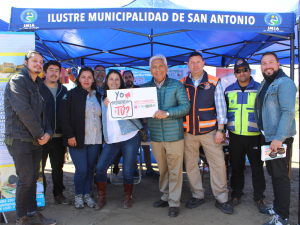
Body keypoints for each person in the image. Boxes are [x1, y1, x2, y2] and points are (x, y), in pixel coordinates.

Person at [4, 50, 56, 225]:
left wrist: (48, 132)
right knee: (26, 179)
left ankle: (32, 213)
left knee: (34, 178)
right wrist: (40, 134)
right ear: (25, 62)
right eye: (35, 61)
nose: (39, 64)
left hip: (36, 140)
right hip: (20, 140)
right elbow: (23, 112)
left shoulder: (37, 85)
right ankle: (21, 219)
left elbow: (44, 115)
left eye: (41, 62)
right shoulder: (17, 81)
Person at [180, 52, 233, 214]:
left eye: (198, 62)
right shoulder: (181, 83)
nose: (195, 65)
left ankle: (221, 198)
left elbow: (221, 108)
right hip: (188, 133)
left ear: (203, 63)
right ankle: (197, 195)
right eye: (192, 62)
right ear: (187, 65)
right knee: (190, 165)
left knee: (218, 165)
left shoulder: (214, 81)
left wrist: (221, 130)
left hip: (210, 132)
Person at [142, 54, 190, 217]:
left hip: (174, 136)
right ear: (150, 70)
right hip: (155, 136)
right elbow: (133, 105)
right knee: (162, 170)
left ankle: (174, 202)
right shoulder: (145, 89)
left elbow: (185, 107)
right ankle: (165, 195)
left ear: (167, 68)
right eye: (154, 67)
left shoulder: (177, 86)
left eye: (160, 66)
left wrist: (167, 113)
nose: (157, 69)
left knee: (175, 170)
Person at [254, 52, 296, 225]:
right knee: (272, 173)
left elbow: (288, 113)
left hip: (279, 140)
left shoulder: (284, 83)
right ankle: (277, 206)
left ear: (278, 64)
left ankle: (282, 216)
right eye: (264, 63)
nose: (267, 66)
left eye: (271, 62)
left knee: (280, 176)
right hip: (269, 138)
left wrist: (279, 138)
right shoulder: (266, 82)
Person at [224, 59, 268, 213]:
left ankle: (259, 197)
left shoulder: (260, 88)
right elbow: (223, 113)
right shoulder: (228, 90)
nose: (242, 73)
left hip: (255, 136)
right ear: (235, 73)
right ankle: (236, 195)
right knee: (236, 168)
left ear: (249, 71)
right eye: (238, 71)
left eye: (244, 70)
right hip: (234, 136)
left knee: (257, 168)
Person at [95, 70, 142, 210]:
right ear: (106, 81)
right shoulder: (102, 99)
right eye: (111, 79)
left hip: (130, 136)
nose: (114, 82)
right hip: (112, 140)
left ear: (120, 82)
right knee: (100, 168)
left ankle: (128, 197)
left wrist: (115, 105)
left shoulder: (127, 95)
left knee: (127, 170)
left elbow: (136, 115)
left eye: (117, 79)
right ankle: (101, 196)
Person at [59, 67, 102, 209]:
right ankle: (78, 195)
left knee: (90, 169)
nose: (86, 80)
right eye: (83, 77)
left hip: (95, 139)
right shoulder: (71, 94)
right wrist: (69, 134)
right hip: (77, 139)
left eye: (89, 77)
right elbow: (63, 116)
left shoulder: (99, 96)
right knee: (82, 169)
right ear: (79, 79)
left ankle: (86, 195)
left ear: (93, 79)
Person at [39, 60, 70, 204]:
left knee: (58, 168)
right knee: (40, 168)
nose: (54, 73)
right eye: (51, 70)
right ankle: (41, 195)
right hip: (41, 137)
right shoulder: (38, 88)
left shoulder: (63, 90)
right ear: (44, 72)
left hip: (59, 137)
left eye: (57, 70)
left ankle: (58, 194)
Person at [123, 70, 159, 179]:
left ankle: (149, 169)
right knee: (132, 147)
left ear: (133, 78)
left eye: (130, 77)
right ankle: (134, 169)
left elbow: (148, 105)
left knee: (146, 147)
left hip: (143, 124)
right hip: (129, 124)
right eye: (126, 77)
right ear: (123, 79)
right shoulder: (121, 91)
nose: (128, 79)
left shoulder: (140, 90)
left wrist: (146, 119)